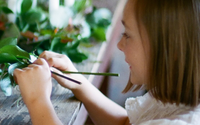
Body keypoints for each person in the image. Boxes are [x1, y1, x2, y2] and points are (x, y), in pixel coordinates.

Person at [14, 0, 200, 124]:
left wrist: (37, 100)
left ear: (171, 49)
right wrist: (79, 84)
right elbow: (124, 123)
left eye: (127, 35)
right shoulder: (175, 98)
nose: (120, 44)